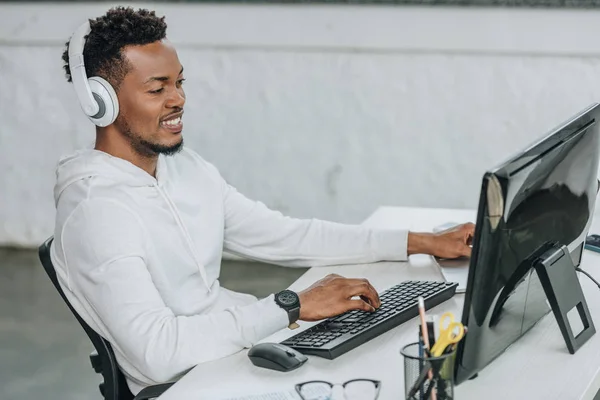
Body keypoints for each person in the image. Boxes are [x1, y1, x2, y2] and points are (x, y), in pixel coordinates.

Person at [52, 6, 475, 395]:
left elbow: (284, 236)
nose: (178, 98)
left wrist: (420, 241)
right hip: (187, 384)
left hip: (239, 351)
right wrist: (289, 306)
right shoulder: (96, 212)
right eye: (156, 88)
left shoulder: (184, 168)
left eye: (179, 82)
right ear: (101, 103)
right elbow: (158, 354)